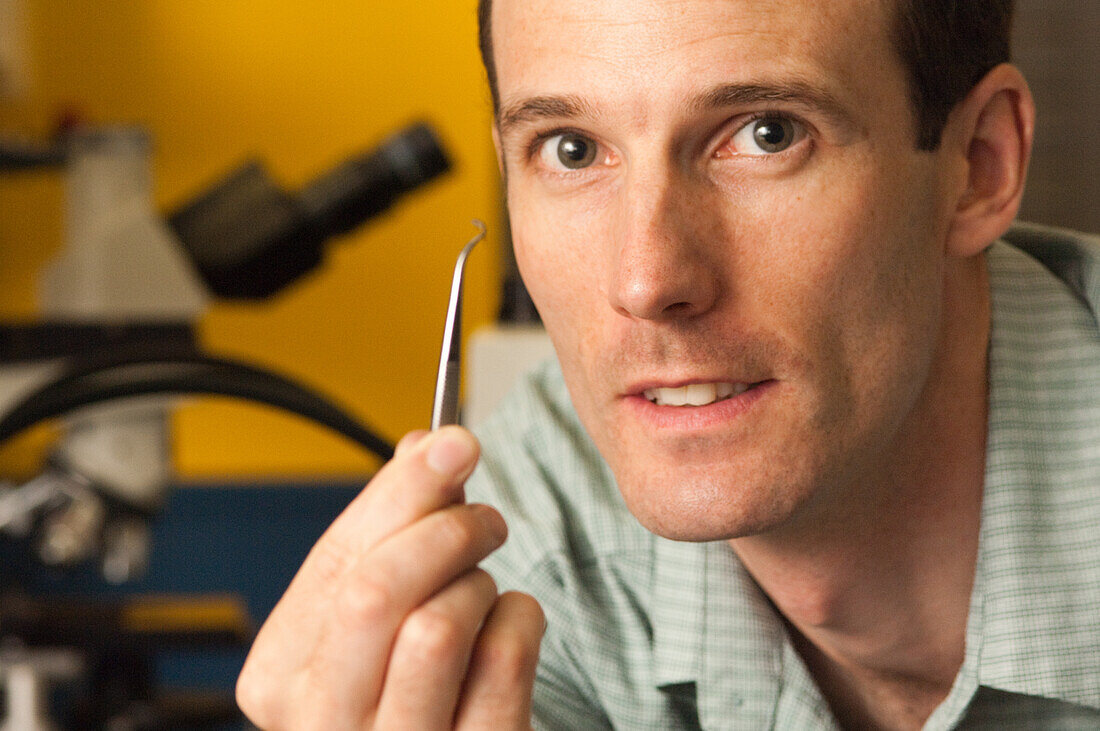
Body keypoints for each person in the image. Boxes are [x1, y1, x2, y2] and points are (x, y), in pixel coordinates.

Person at [236, 0, 1100, 727]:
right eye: (572, 149)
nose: (648, 281)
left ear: (981, 163)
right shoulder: (535, 542)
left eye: (767, 134)